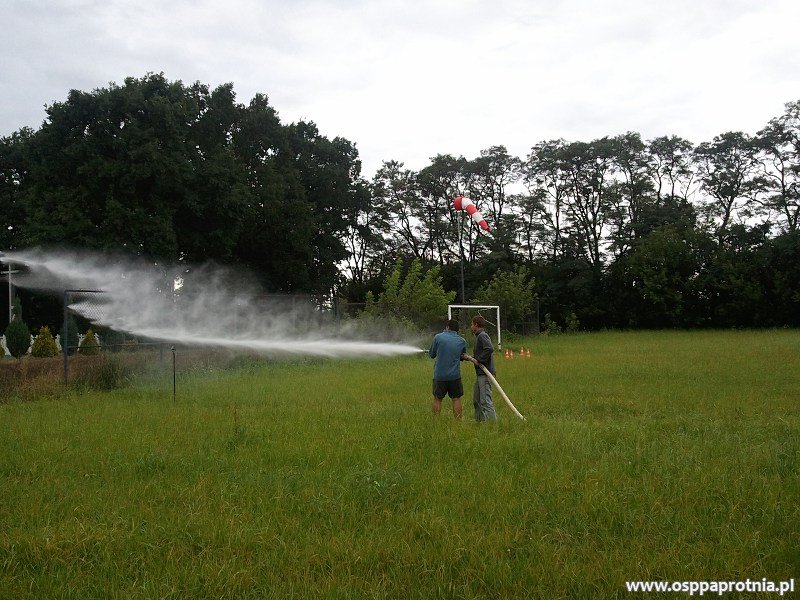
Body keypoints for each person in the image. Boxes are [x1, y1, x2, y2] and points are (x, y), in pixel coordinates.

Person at [428, 318, 467, 418]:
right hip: (455, 376)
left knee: (437, 399)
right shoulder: (462, 341)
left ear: (447, 327)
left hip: (440, 376)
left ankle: (436, 421)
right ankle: (458, 422)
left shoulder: (438, 337)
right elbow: (462, 356)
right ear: (457, 329)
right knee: (456, 398)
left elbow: (432, 354)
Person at [466, 315, 497, 421]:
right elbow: (482, 352)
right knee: (477, 400)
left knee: (485, 401)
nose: (471, 327)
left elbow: (489, 349)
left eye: (471, 324)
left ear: (476, 325)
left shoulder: (482, 335)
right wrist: (471, 357)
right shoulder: (479, 336)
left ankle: (493, 424)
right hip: (480, 374)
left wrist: (479, 360)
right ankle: (480, 422)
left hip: (486, 374)